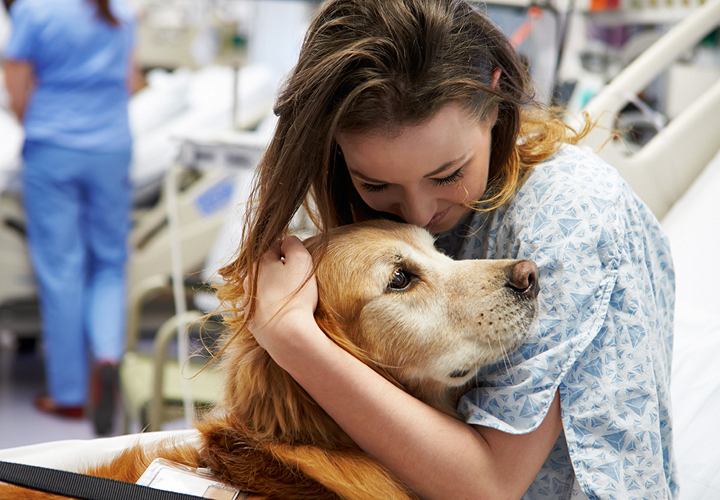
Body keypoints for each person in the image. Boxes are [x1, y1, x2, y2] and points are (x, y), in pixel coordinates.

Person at [219, 0, 678, 498]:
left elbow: (490, 487)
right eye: (376, 183)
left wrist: (291, 339)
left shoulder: (570, 215)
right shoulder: (353, 210)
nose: (415, 213)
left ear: (497, 103)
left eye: (448, 175)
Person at [3, 0, 137, 435]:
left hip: (53, 148)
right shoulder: (121, 10)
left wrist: (39, 124)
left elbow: (17, 87)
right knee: (109, 264)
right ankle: (108, 357)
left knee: (62, 269)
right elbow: (131, 82)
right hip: (113, 149)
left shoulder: (34, 10)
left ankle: (70, 397)